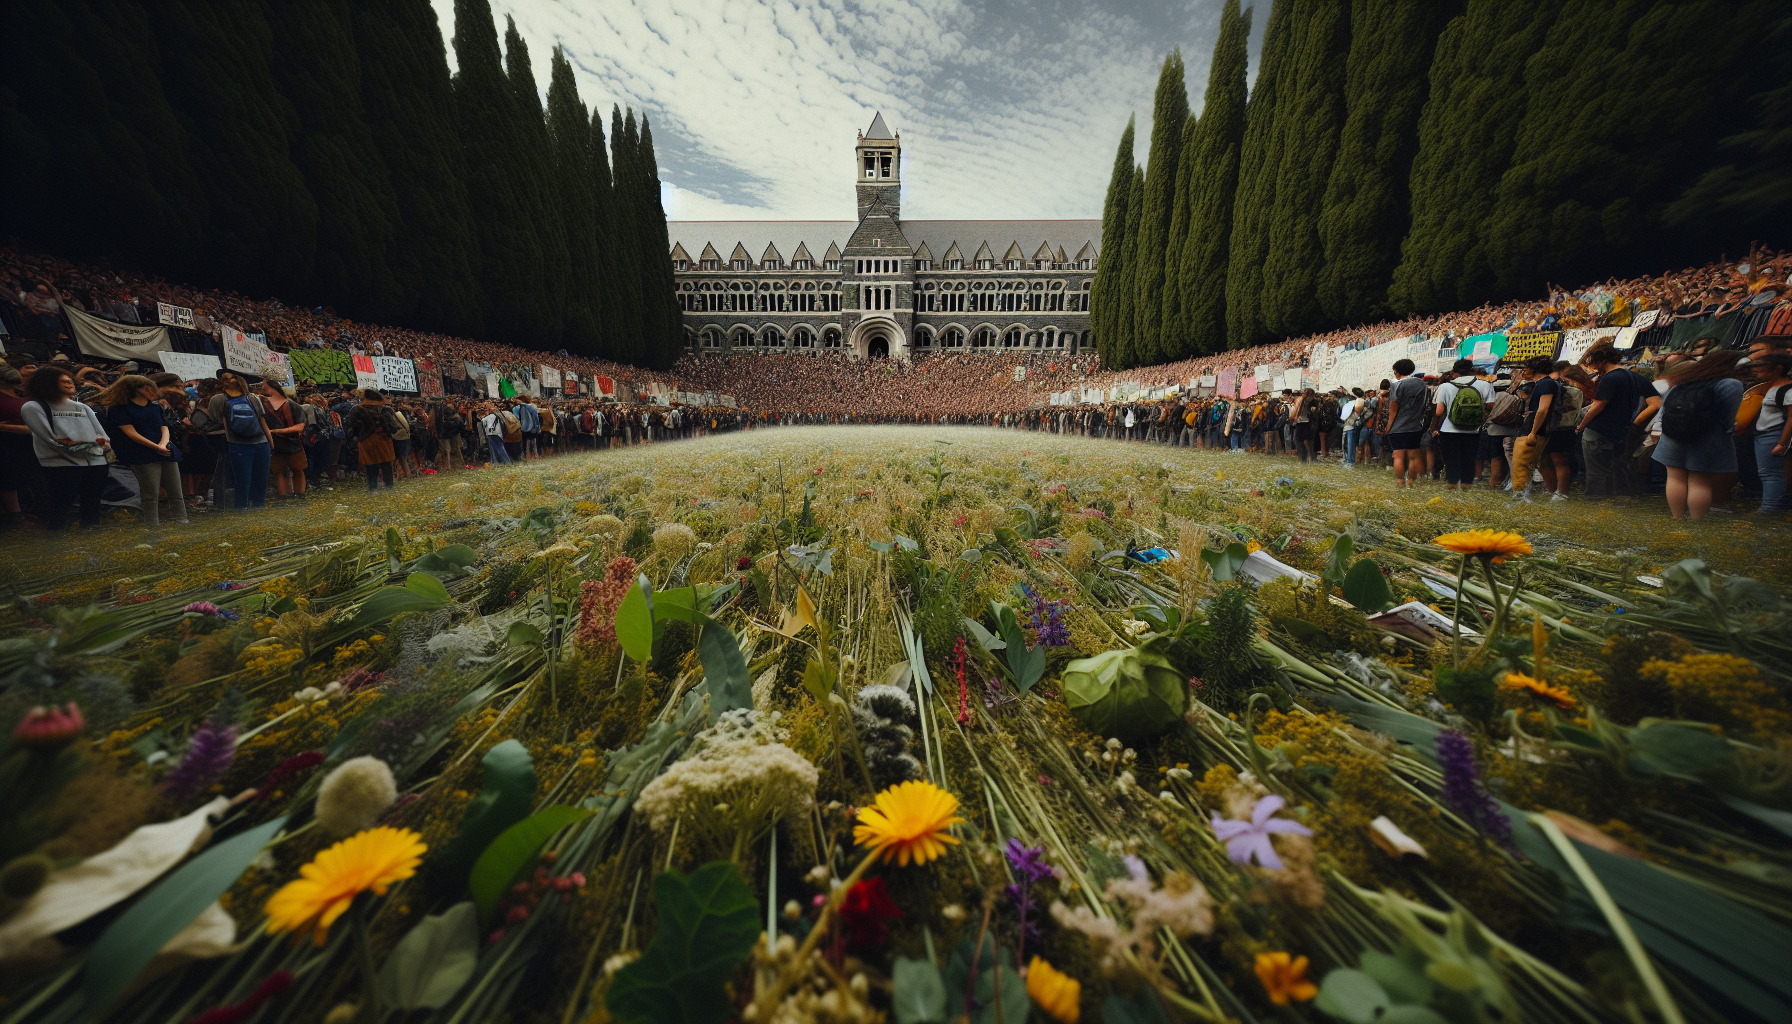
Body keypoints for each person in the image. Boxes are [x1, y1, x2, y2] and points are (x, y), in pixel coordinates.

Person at [1652, 349, 1747, 520]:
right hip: (1707, 438)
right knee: (1700, 480)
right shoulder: (1730, 384)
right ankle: (1697, 520)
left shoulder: (1682, 383)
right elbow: (1728, 416)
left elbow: (1665, 409)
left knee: (1674, 478)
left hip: (1673, 435)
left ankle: (1677, 517)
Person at [20, 364, 111, 531]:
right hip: (62, 465)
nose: (71, 384)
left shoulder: (83, 407)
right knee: (60, 504)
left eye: (71, 381)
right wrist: (89, 443)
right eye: (64, 381)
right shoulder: (33, 407)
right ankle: (55, 537)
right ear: (48, 383)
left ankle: (91, 533)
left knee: (92, 504)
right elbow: (51, 439)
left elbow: (103, 436)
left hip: (95, 463)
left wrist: (94, 444)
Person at [96, 373, 188, 529]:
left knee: (175, 490)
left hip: (165, 451)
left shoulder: (155, 407)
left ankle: (182, 520)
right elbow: (130, 432)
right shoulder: (119, 409)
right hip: (141, 454)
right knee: (150, 492)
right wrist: (155, 447)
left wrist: (163, 444)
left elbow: (164, 426)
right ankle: (152, 524)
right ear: (136, 389)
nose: (154, 391)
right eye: (148, 388)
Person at [1575, 343, 1646, 498]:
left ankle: (1597, 502)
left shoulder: (1610, 377)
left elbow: (1598, 407)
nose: (1594, 368)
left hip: (1598, 431)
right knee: (1612, 469)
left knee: (1597, 472)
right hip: (1618, 430)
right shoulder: (1631, 376)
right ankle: (1615, 501)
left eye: (1594, 363)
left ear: (1601, 361)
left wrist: (1581, 425)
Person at [207, 369, 273, 511]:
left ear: (237, 379)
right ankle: (241, 507)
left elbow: (261, 420)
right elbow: (217, 419)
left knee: (261, 478)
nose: (226, 381)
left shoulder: (253, 398)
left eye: (228, 378)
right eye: (223, 379)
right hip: (238, 444)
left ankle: (258, 506)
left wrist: (270, 442)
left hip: (260, 443)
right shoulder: (219, 399)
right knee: (242, 480)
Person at [1430, 360, 1494, 490]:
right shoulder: (1485, 385)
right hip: (1474, 430)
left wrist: (1433, 427)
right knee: (1469, 459)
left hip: (1449, 430)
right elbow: (1490, 407)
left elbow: (1439, 411)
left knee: (1452, 460)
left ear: (1454, 372)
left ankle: (1452, 486)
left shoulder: (1445, 387)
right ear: (1472, 371)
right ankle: (1466, 486)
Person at [1747, 351, 1792, 515]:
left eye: (1760, 365)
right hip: (1765, 436)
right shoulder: (1772, 387)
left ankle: (1770, 509)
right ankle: (1774, 506)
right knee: (1768, 473)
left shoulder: (1787, 389)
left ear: (1778, 368)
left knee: (1772, 474)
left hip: (1773, 435)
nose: (1755, 369)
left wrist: (1782, 443)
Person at [0, 363, 36, 531]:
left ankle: (22, 512)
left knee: (21, 476)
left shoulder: (16, 392)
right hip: (7, 443)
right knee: (9, 479)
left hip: (23, 442)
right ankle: (14, 517)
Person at [260, 381, 308, 498]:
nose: (261, 388)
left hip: (292, 443)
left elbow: (300, 426)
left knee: (297, 470)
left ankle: (298, 495)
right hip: (276, 445)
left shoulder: (291, 405)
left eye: (263, 386)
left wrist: (275, 432)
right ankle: (284, 497)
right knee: (281, 472)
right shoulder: (263, 405)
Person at [1385, 359, 1428, 487]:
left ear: (1396, 371)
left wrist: (1388, 426)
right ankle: (1411, 482)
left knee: (1397, 456)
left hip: (1397, 427)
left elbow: (1394, 407)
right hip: (1415, 426)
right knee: (1413, 457)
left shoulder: (1395, 385)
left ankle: (1400, 481)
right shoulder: (1422, 384)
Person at [345, 389, 399, 489]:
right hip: (367, 441)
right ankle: (373, 488)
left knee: (386, 466)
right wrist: (355, 437)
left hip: (384, 441)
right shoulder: (358, 410)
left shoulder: (385, 411)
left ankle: (389, 487)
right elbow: (352, 426)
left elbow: (392, 427)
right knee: (371, 466)